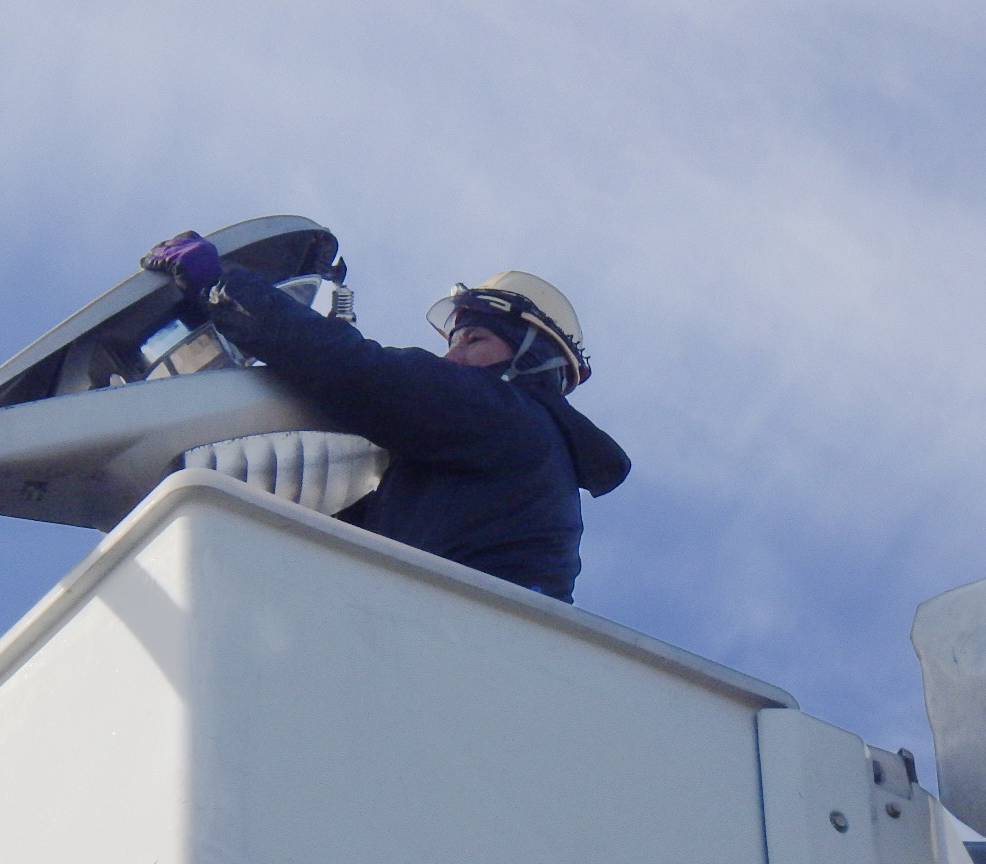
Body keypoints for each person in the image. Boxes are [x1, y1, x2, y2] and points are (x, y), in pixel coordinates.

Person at [141, 231, 630, 603]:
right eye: (451, 342)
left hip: (452, 648)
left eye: (473, 340)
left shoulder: (507, 417)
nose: (450, 358)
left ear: (530, 359)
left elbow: (354, 371)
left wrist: (218, 284)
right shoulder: (479, 471)